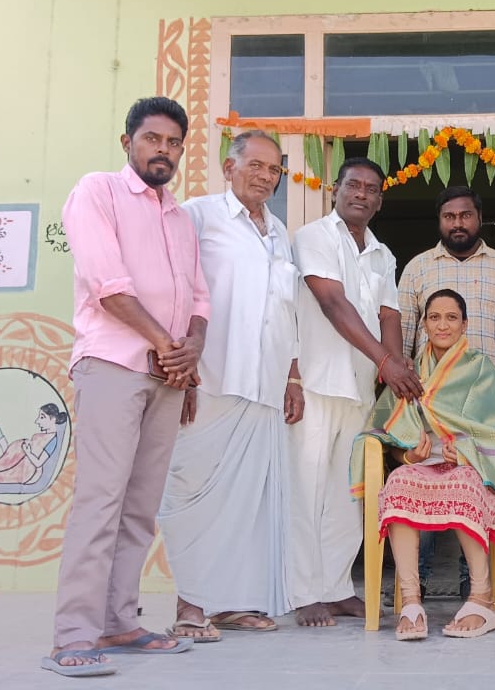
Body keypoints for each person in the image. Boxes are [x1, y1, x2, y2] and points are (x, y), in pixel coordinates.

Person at [44, 97, 210, 677]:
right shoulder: (98, 191)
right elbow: (107, 284)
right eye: (152, 139)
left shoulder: (180, 218)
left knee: (140, 508)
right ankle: (72, 635)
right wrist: (165, 344)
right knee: (100, 502)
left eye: (173, 142)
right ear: (127, 142)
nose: (163, 150)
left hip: (168, 376)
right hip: (113, 366)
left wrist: (190, 352)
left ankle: (118, 622)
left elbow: (199, 298)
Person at [158, 130, 301, 641]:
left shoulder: (278, 231)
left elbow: (287, 309)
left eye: (274, 169)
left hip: (263, 384)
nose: (265, 176)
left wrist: (292, 374)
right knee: (194, 492)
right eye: (255, 165)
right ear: (228, 166)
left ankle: (231, 604)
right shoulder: (198, 216)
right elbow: (174, 290)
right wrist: (182, 371)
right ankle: (191, 606)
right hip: (211, 376)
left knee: (248, 503)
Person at [351, 289, 495, 640]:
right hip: (423, 465)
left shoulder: (480, 369)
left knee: (463, 484)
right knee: (398, 483)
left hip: (473, 468)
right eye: (435, 317)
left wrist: (470, 451)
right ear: (424, 324)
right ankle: (411, 602)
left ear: (464, 324)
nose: (443, 325)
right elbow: (387, 435)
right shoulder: (408, 372)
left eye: (452, 317)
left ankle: (482, 597)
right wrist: (408, 457)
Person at [288, 157, 423, 628]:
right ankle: (303, 592)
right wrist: (386, 362)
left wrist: (394, 366)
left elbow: (390, 315)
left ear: (380, 201)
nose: (361, 194)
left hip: (360, 388)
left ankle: (337, 588)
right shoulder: (314, 236)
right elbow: (332, 302)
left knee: (348, 493)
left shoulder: (382, 254)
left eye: (371, 189)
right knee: (306, 490)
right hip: (316, 382)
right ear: (336, 189)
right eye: (353, 185)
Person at [397, 185, 495, 598]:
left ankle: (476, 584)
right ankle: (416, 582)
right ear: (440, 221)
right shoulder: (418, 268)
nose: (458, 223)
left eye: (465, 215)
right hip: (430, 404)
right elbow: (404, 336)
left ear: (479, 218)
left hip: (489, 403)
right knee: (424, 474)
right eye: (449, 217)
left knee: (478, 482)